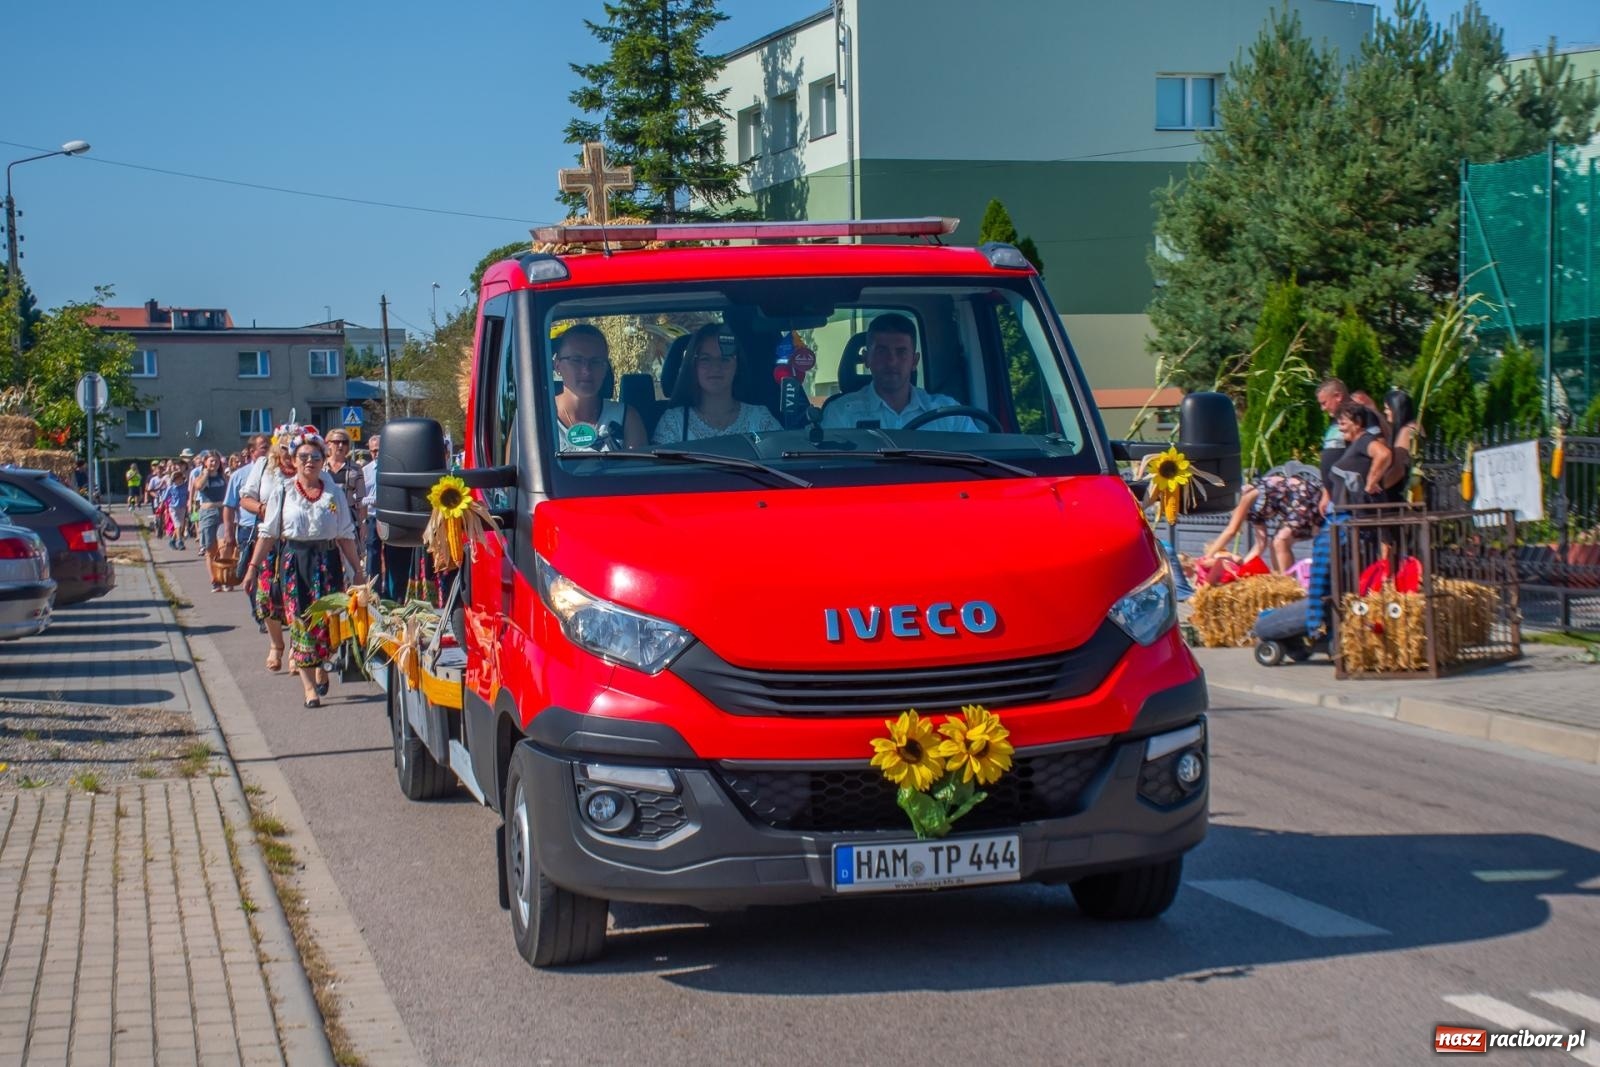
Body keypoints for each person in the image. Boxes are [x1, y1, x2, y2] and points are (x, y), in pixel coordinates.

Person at [244, 430, 364, 707]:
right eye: (303, 457)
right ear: (294, 461)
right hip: (295, 561)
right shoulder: (283, 491)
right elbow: (269, 532)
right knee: (300, 622)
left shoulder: (333, 491)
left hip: (328, 561)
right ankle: (308, 686)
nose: (309, 461)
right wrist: (252, 568)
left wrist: (356, 570)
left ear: (323, 460)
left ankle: (322, 664)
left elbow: (345, 533)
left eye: (315, 457)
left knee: (327, 622)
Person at [820, 313, 981, 432]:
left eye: (901, 352)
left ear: (914, 361)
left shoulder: (948, 413)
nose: (892, 361)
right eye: (882, 351)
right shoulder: (841, 414)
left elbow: (982, 463)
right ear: (866, 359)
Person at [652, 323, 781, 444]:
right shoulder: (674, 422)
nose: (715, 367)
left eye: (725, 359)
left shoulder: (760, 419)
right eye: (705, 359)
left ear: (737, 365)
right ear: (693, 365)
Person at [1202, 466, 1323, 573]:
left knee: (1280, 541)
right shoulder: (1254, 511)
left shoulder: (1245, 497)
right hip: (1295, 506)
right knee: (1273, 544)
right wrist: (1242, 567)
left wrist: (1206, 557)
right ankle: (1281, 581)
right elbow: (1261, 544)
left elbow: (1231, 530)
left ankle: (1290, 584)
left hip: (1307, 498)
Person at [553, 324, 647, 451]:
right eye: (576, 360)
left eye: (596, 361)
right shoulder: (537, 417)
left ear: (605, 368)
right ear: (557, 365)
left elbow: (640, 469)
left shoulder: (626, 418)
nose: (586, 370)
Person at [223, 434, 271, 624]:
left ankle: (272, 610)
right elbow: (229, 505)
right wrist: (228, 532)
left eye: (269, 446)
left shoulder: (275, 471)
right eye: (263, 447)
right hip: (249, 530)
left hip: (271, 530)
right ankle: (258, 612)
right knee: (253, 571)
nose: (267, 450)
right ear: (252, 452)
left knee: (271, 571)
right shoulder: (239, 475)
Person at [1327, 399, 1393, 510]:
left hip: (1363, 517)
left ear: (1357, 422)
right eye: (1339, 424)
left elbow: (1383, 454)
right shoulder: (1357, 443)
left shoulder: (1364, 440)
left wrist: (1370, 484)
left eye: (1343, 423)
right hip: (1352, 516)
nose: (1340, 428)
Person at [323, 429, 367, 581]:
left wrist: (362, 524)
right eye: (336, 442)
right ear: (328, 444)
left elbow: (361, 500)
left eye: (344, 442)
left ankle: (352, 588)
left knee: (350, 557)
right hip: (325, 517)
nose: (340, 445)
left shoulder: (355, 468)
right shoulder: (321, 467)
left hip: (348, 517)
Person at [192, 452, 230, 589]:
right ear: (206, 463)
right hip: (208, 513)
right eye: (211, 461)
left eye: (216, 461)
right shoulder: (201, 476)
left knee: (224, 547)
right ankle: (215, 580)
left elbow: (229, 489)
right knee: (210, 549)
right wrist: (206, 473)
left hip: (222, 513)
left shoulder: (222, 477)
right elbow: (198, 486)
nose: (214, 464)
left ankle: (224, 577)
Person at [1381, 388, 1419, 502]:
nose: (1385, 411)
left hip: (1401, 494)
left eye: (1387, 408)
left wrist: (1381, 487)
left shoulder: (1407, 431)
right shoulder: (1416, 426)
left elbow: (1399, 469)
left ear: (1396, 409)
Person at [362, 434, 381, 580]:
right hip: (372, 516)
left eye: (379, 450)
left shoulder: (392, 469)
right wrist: (373, 500)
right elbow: (361, 497)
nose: (376, 454)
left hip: (389, 516)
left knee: (392, 555)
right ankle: (372, 588)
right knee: (372, 553)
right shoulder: (365, 471)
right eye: (374, 451)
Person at [163, 460, 191, 549]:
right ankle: (180, 541)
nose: (178, 481)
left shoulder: (185, 487)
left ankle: (172, 540)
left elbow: (188, 493)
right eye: (176, 479)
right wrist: (163, 506)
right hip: (173, 507)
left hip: (182, 507)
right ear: (174, 480)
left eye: (180, 479)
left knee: (181, 525)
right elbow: (164, 498)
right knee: (177, 524)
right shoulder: (171, 488)